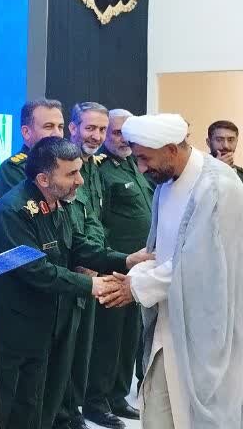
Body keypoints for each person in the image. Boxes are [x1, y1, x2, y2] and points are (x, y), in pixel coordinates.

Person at [97, 114, 243, 429]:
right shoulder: (165, 184)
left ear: (171, 149)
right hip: (170, 321)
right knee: (160, 411)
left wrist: (136, 287)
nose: (141, 168)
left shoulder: (217, 187)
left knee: (209, 413)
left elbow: (200, 267)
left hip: (214, 330)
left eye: (145, 158)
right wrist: (133, 277)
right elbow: (163, 253)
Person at [0, 137, 151, 429]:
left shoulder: (56, 202)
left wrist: (125, 260)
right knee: (15, 407)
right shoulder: (15, 212)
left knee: (42, 403)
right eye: (71, 174)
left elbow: (78, 246)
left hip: (49, 323)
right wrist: (91, 286)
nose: (80, 181)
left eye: (79, 171)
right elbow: (36, 271)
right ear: (43, 179)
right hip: (16, 330)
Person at [84, 109, 150, 425]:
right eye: (116, 132)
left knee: (129, 336)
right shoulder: (102, 170)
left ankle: (118, 396)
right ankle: (97, 401)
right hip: (114, 267)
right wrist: (106, 260)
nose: (123, 139)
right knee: (108, 338)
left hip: (137, 269)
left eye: (127, 133)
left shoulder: (134, 165)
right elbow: (99, 220)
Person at [57, 102, 112, 429]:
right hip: (68, 272)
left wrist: (93, 257)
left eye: (102, 129)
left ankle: (74, 410)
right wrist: (83, 260)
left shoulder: (93, 167)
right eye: (90, 128)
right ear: (73, 128)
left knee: (82, 349)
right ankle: (62, 415)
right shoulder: (59, 166)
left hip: (89, 269)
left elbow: (94, 219)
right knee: (62, 352)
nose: (97, 136)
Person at [0, 99, 66, 201]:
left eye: (60, 127)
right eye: (49, 127)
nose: (57, 133)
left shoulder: (64, 165)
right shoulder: (13, 169)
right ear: (26, 132)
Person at [207, 120, 243, 244]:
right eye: (219, 140)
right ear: (208, 142)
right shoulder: (199, 172)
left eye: (231, 140)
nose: (226, 145)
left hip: (238, 246)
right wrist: (218, 170)